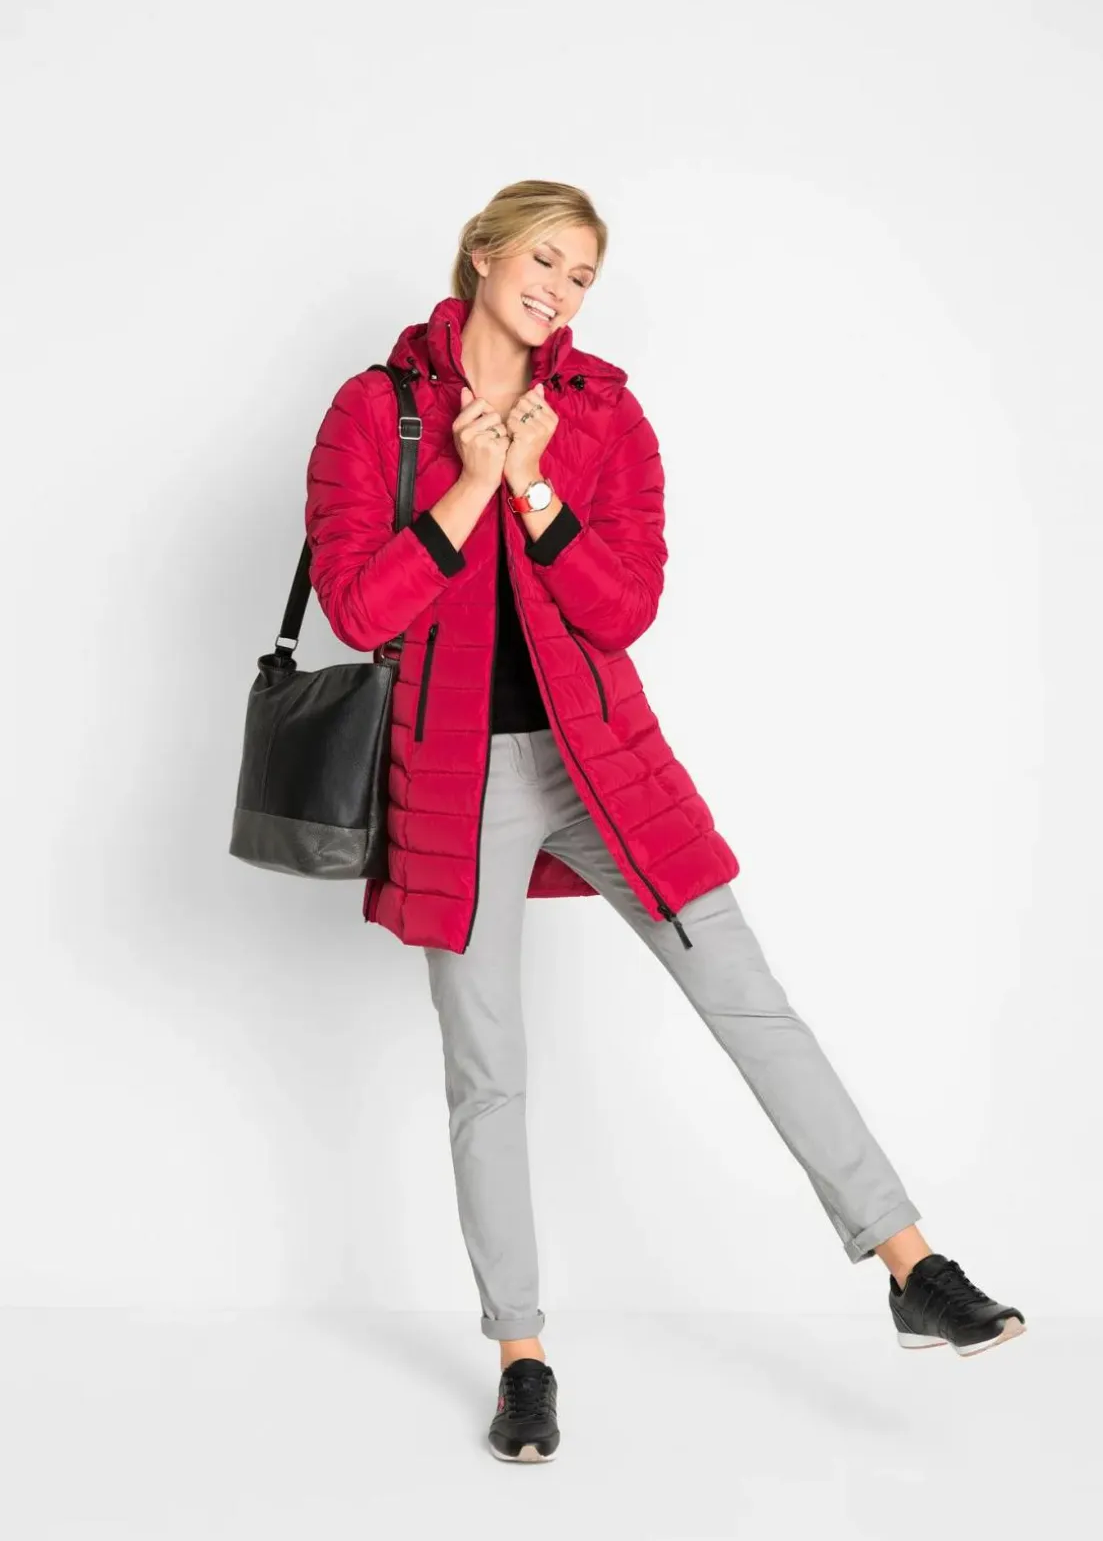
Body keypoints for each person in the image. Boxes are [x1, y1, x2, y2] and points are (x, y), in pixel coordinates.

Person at [303, 179, 1025, 1464]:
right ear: (482, 254)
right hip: (452, 780)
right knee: (487, 1073)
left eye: (581, 275)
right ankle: (523, 1357)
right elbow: (357, 609)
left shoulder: (600, 413)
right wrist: (471, 484)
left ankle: (910, 1264)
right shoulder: (376, 410)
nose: (559, 291)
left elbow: (623, 604)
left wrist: (534, 488)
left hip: (603, 764)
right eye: (543, 260)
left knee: (750, 1000)